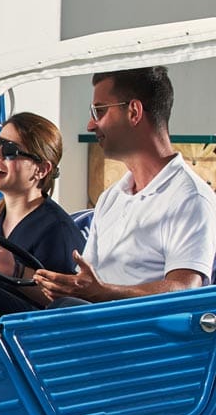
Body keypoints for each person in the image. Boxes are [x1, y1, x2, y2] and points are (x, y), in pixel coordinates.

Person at [34, 67, 216, 302]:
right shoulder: (111, 198)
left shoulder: (190, 198)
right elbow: (89, 283)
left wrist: (103, 293)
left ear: (134, 112)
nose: (90, 125)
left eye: (99, 111)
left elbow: (186, 288)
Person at [0, 112, 84, 315]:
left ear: (41, 170)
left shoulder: (57, 231)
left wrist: (13, 270)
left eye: (10, 150)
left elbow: (67, 306)